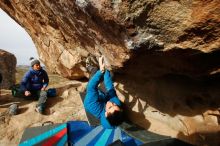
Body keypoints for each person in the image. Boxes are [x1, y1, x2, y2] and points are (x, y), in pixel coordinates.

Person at [84, 56, 124, 129]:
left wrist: (100, 72)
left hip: (93, 97)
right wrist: (104, 70)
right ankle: (99, 71)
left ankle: (88, 66)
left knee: (95, 71)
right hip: (103, 96)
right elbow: (110, 88)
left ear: (106, 114)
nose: (111, 103)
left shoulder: (92, 105)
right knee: (110, 75)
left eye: (110, 107)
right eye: (114, 104)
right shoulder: (117, 104)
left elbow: (91, 88)